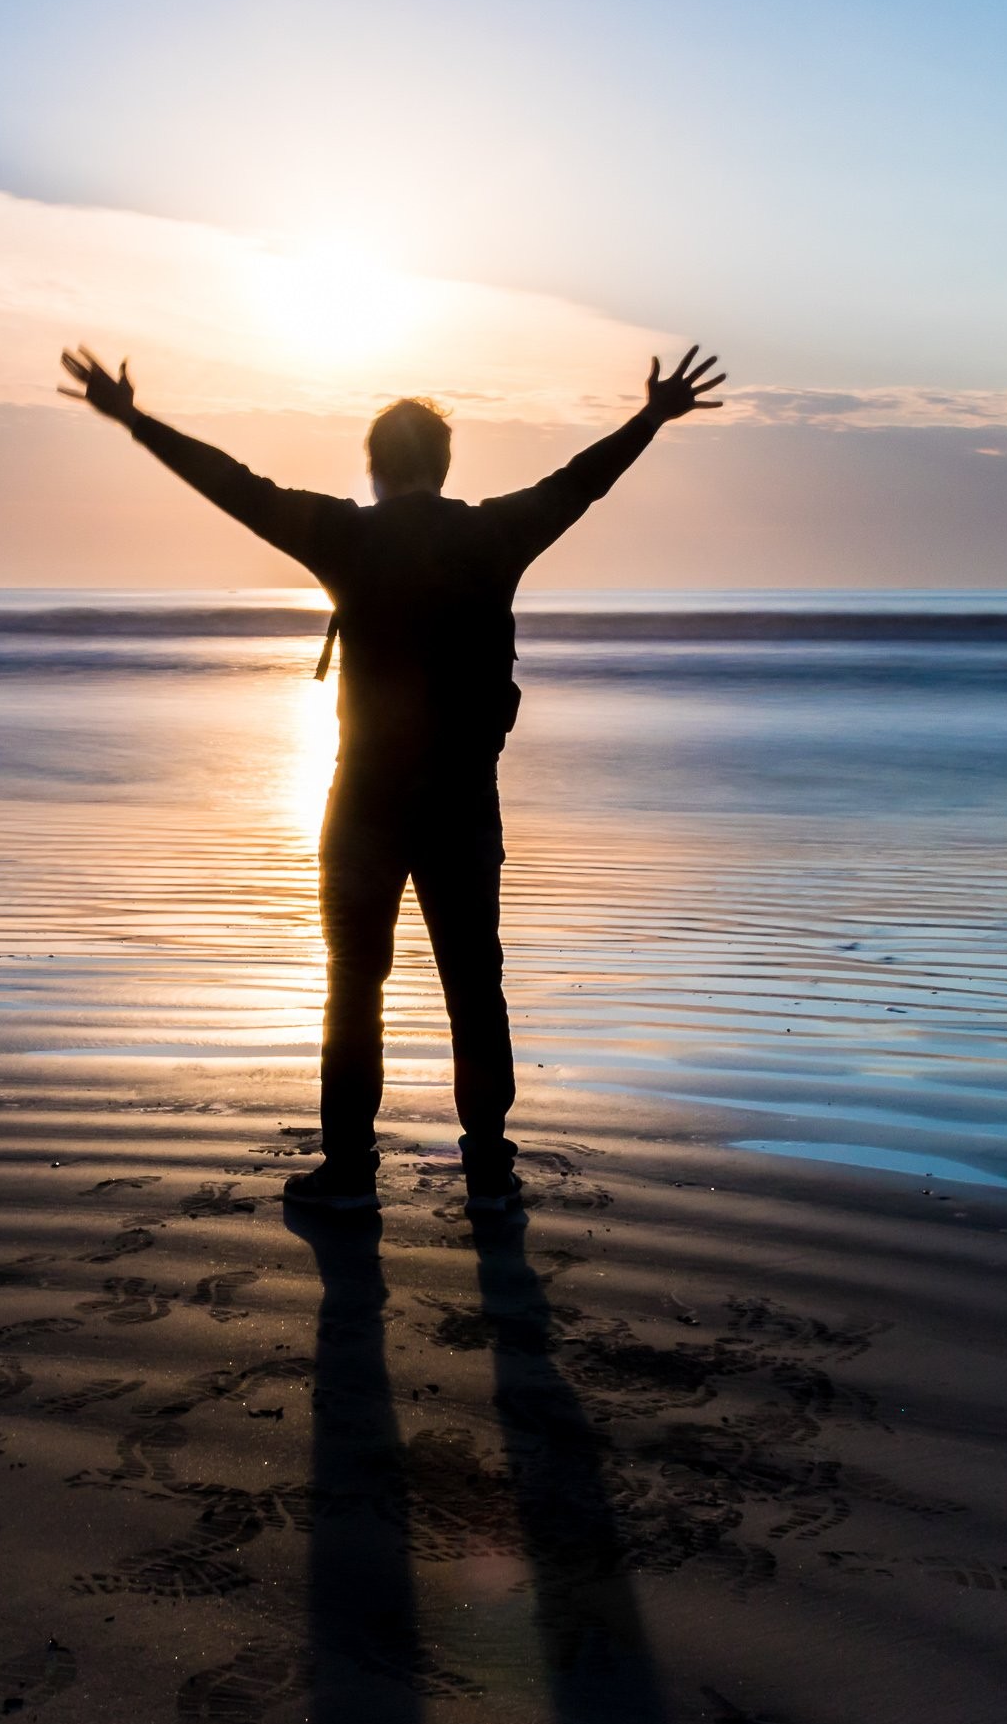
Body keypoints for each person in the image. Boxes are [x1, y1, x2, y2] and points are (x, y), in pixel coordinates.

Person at [58, 344, 725, 1211]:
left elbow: (234, 486)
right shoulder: (493, 533)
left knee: (354, 983)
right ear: (445, 469)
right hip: (461, 803)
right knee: (473, 982)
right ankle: (487, 1160)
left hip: (365, 803)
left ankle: (349, 1172)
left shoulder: (342, 534)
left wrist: (136, 421)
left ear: (374, 469)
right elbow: (579, 481)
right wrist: (649, 419)